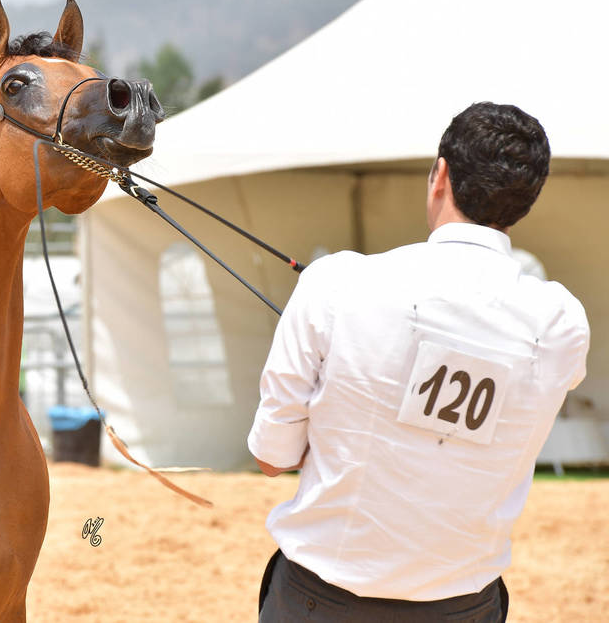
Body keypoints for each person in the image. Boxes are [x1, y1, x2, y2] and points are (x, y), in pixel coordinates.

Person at [247, 102, 589, 622]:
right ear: (525, 201)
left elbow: (273, 456)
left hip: (323, 600)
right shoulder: (562, 323)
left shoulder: (335, 282)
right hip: (465, 605)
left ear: (441, 175)